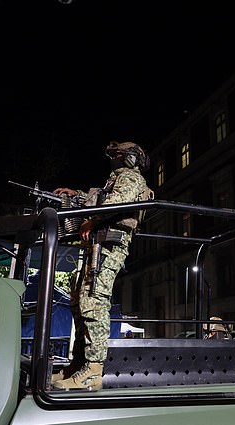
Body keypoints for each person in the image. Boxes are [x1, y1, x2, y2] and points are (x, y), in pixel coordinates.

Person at [50, 141, 152, 391]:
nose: (113, 159)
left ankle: (93, 370)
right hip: (97, 244)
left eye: (118, 155)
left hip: (111, 245)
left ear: (130, 159)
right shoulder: (114, 179)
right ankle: (79, 364)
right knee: (79, 301)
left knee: (93, 301)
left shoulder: (130, 177)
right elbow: (102, 199)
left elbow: (116, 203)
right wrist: (77, 196)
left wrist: (90, 220)